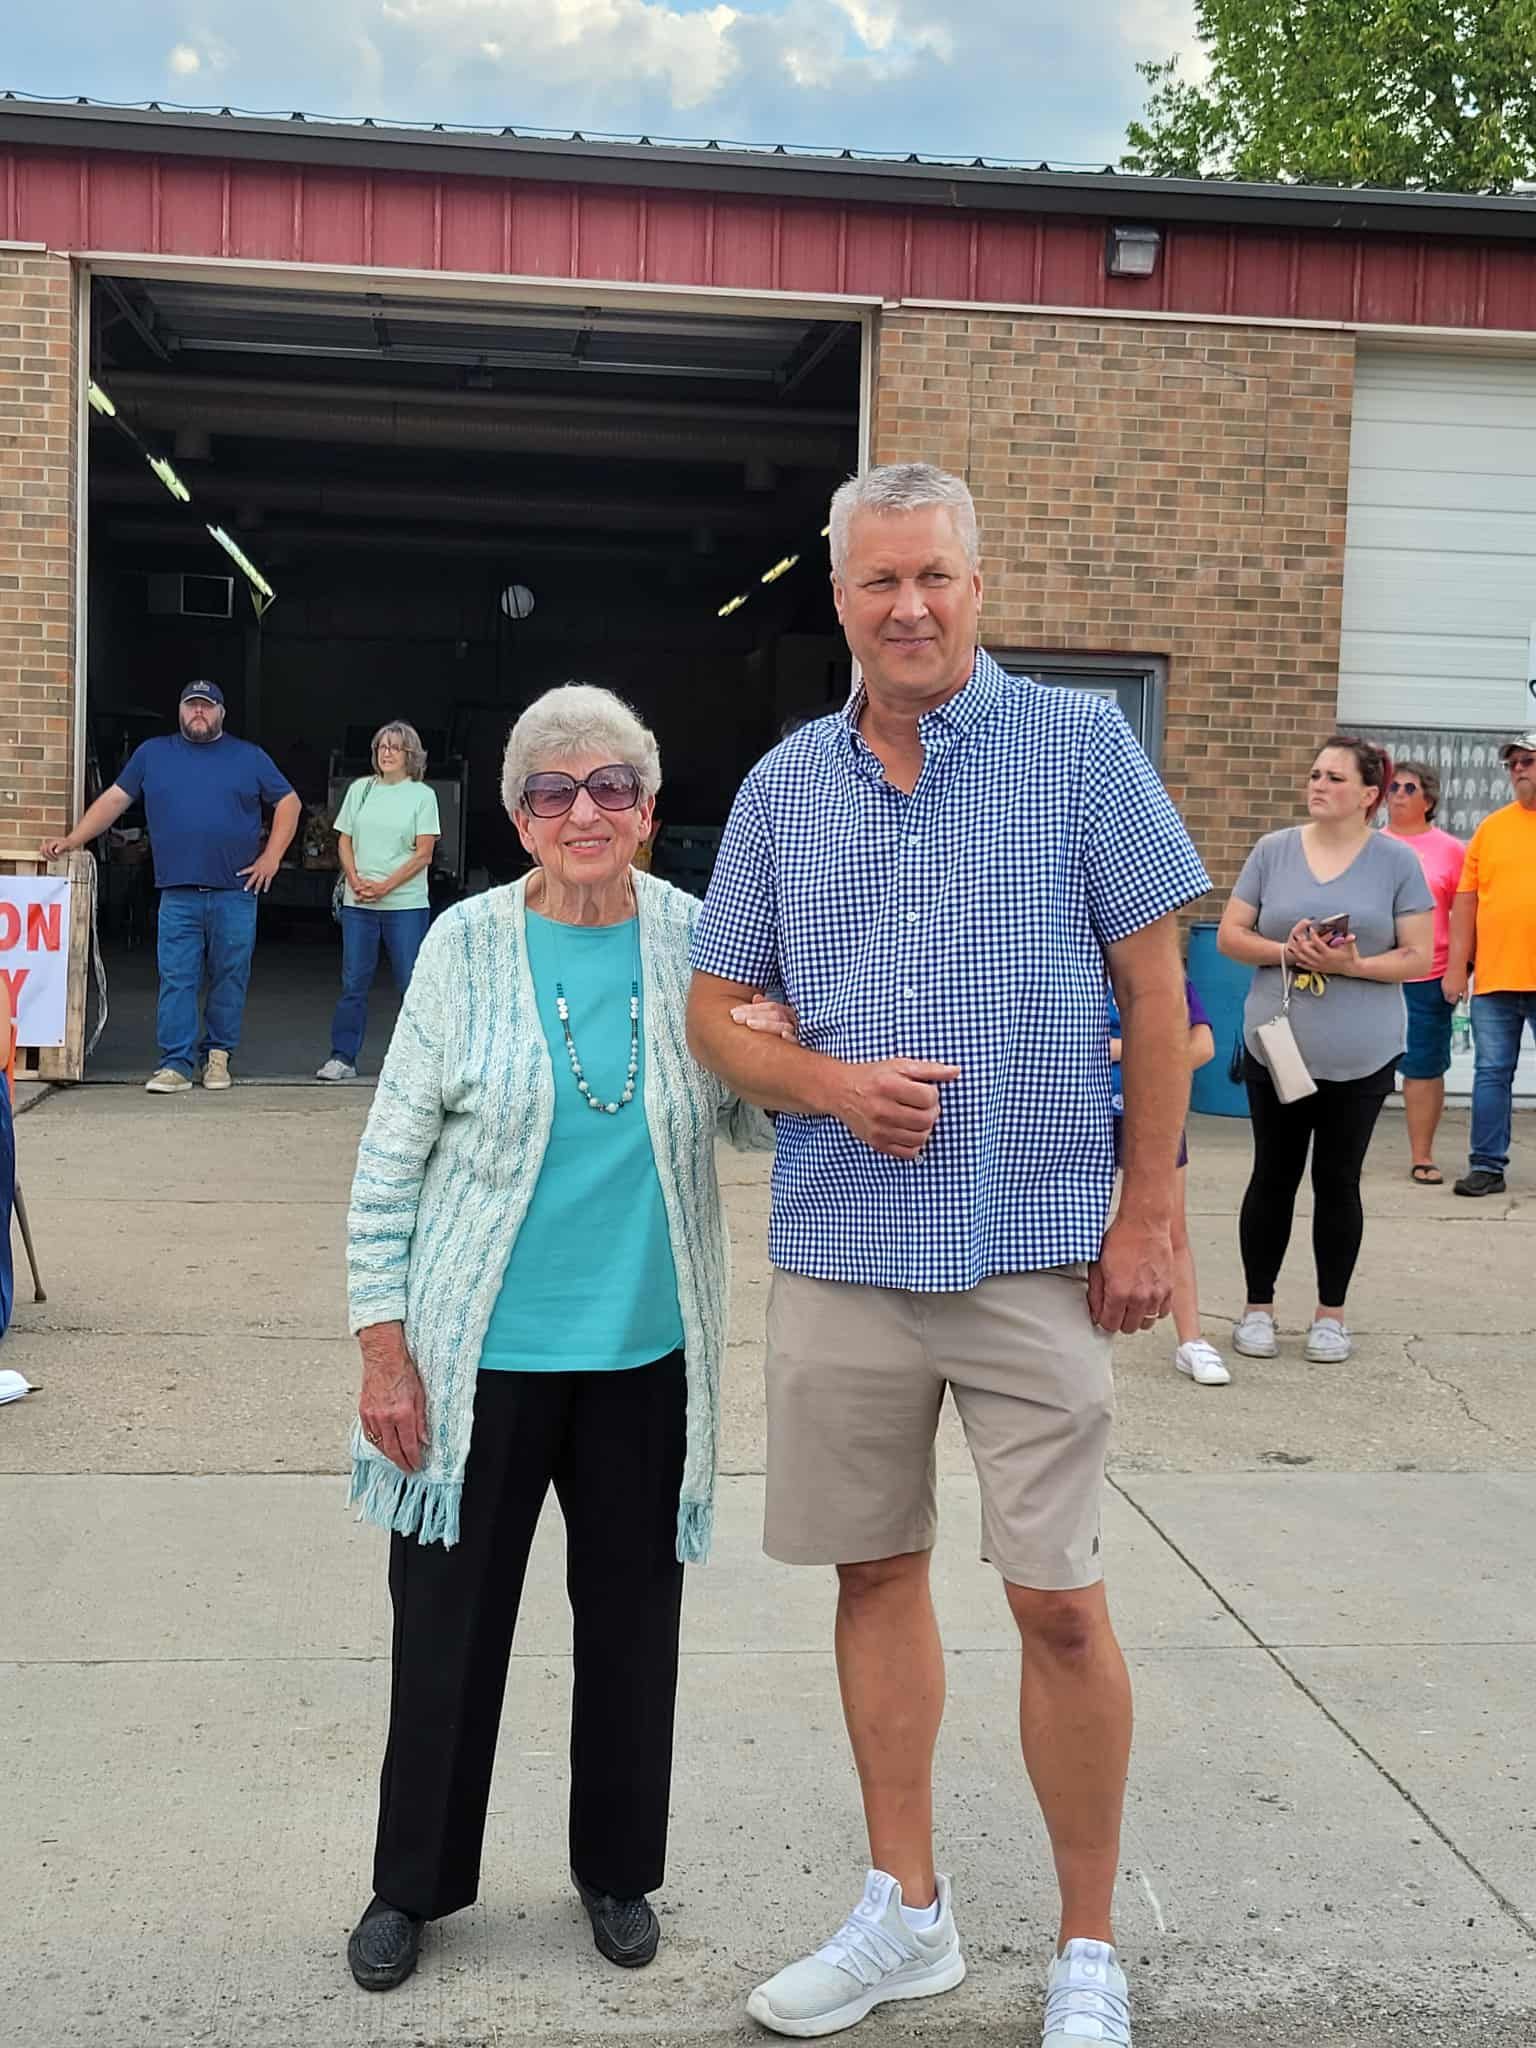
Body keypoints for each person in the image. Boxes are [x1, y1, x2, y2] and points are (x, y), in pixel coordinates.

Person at [686, 463, 1209, 2048]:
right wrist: (827, 1084)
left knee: (1059, 1600)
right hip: (846, 1248)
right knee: (875, 1572)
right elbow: (714, 1010)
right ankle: (904, 1912)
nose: (906, 608)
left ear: (977, 584)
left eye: (932, 578)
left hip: (1035, 1247)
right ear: (837, 597)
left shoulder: (1080, 752)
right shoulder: (784, 787)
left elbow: (1155, 992)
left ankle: (1087, 1949)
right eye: (875, 584)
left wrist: (1151, 1214)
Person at [342, 684, 782, 1995]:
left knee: (635, 1628)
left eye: (610, 789)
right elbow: (387, 1167)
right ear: (519, 817)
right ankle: (409, 1887)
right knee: (445, 1633)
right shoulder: (465, 949)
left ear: (648, 812)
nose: (583, 811)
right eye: (554, 792)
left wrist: (797, 1043)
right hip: (475, 1364)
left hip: (645, 1364)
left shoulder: (698, 943)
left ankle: (617, 1871)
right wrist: (383, 1351)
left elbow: (756, 1124)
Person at [1217, 736, 1432, 1365]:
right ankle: (1258, 1309)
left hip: (1362, 1050)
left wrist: (1354, 962)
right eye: (1314, 774)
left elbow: (1418, 956)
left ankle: (1330, 1316)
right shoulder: (1273, 851)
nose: (1319, 785)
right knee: (1273, 1177)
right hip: (1278, 1044)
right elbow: (1232, 934)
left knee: (1338, 1180)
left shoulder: (1396, 863)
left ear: (1370, 795)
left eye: (1335, 778)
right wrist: (1287, 951)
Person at [40, 681, 300, 1092]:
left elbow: (289, 802)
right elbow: (113, 800)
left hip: (235, 892)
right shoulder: (152, 754)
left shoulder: (248, 757)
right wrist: (74, 839)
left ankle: (217, 1057)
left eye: (207, 707)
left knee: (229, 976)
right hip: (177, 892)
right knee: (177, 977)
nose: (199, 713)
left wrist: (271, 857)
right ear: (180, 711)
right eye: (192, 706)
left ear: (221, 713)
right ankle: (176, 1065)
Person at [1108, 979, 1227, 1385]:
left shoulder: (1164, 975)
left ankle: (1191, 1341)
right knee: (1066, 1231)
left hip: (1149, 1117)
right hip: (1082, 1115)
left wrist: (1128, 1052)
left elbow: (1202, 1046)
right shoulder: (1066, 968)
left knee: (1169, 1228)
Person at [315, 722, 441, 1082]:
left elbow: (423, 854)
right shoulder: (360, 790)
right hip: (360, 904)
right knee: (353, 982)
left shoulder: (422, 795)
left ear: (410, 755)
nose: (386, 753)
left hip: (405, 905)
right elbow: (344, 840)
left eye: (395, 748)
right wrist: (354, 879)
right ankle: (342, 1057)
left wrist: (385, 886)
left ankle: (419, 1063)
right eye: (382, 747)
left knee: (410, 983)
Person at [1443, 728, 1536, 1196]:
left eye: (1528, 760)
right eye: (1513, 763)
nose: (1518, 769)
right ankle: (1487, 1167)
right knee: (1491, 1073)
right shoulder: (1492, 828)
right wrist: (1456, 967)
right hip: (1497, 977)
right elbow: (1466, 904)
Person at [1383, 761, 1464, 1184]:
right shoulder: (1368, 844)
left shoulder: (1452, 850)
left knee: (1423, 1068)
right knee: (1360, 1068)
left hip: (1428, 978)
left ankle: (1422, 1156)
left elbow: (1467, 914)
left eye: (1408, 788)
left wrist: (1460, 970)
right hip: (1371, 974)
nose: (1396, 793)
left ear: (1428, 800)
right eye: (1392, 786)